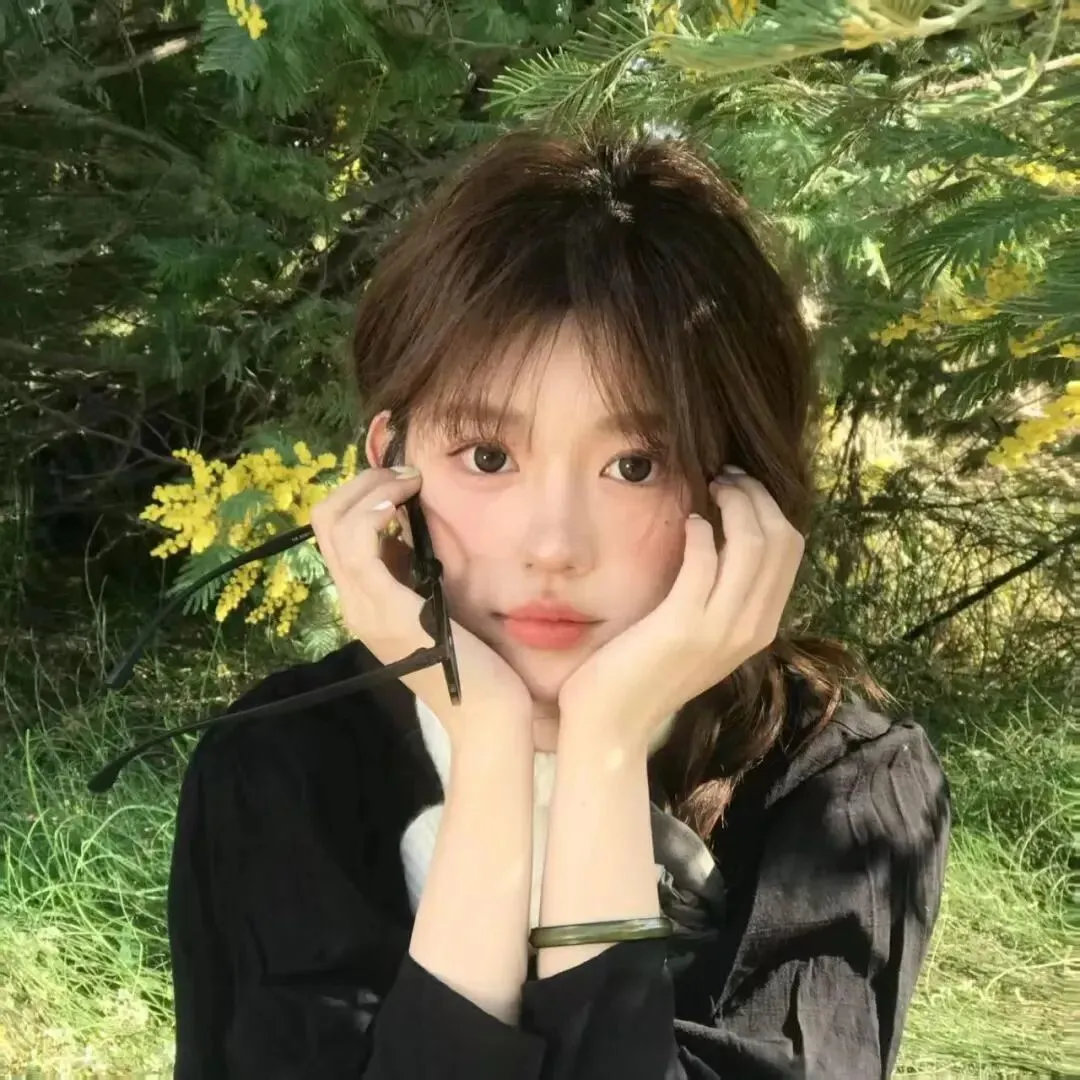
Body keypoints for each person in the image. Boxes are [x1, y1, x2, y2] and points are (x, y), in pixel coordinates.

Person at [167, 128, 950, 1080]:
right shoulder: (279, 767)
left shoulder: (844, 793)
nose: (553, 545)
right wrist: (492, 748)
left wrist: (603, 746)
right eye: (488, 456)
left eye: (636, 465)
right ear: (390, 466)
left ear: (740, 489)